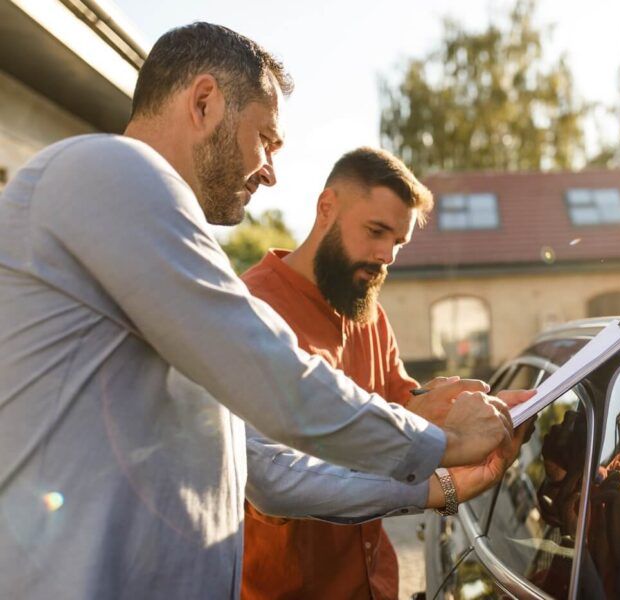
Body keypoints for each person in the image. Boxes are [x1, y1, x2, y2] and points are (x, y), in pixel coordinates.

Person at [0, 23, 514, 599]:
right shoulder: (108, 170)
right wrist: (439, 446)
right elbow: (276, 376)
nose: (270, 169)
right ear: (203, 102)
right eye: (265, 138)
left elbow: (268, 472)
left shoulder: (154, 255)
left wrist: (433, 488)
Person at [237, 147, 531, 599]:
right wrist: (441, 466)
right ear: (326, 208)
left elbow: (404, 409)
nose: (386, 256)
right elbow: (275, 476)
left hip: (376, 586)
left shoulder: (369, 315)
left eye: (398, 242)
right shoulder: (251, 311)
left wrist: (487, 410)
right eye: (376, 231)